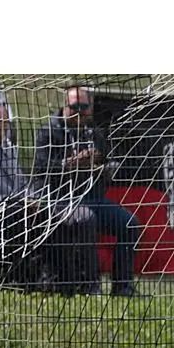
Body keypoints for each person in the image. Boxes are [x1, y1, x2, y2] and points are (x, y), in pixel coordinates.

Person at [33, 85, 139, 297]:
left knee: (129, 223)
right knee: (86, 218)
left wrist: (102, 167)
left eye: (84, 107)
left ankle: (123, 286)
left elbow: (108, 162)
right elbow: (41, 168)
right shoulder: (49, 131)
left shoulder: (93, 133)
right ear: (65, 106)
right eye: (75, 107)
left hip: (92, 197)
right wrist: (71, 164)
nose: (79, 112)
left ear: (90, 108)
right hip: (60, 199)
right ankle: (90, 285)